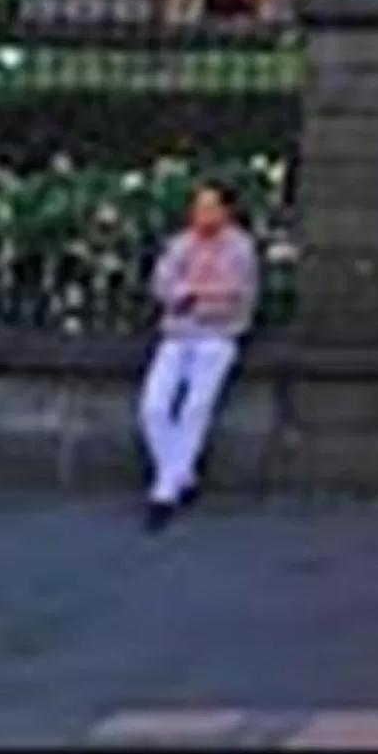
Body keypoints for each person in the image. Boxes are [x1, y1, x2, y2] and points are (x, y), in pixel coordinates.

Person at [138, 180, 260, 532]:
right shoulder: (181, 245)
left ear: (226, 211)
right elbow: (162, 285)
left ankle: (163, 493)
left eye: (209, 207)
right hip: (176, 334)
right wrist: (194, 295)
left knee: (195, 406)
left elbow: (236, 296)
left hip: (217, 336)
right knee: (154, 407)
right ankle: (181, 475)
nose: (201, 214)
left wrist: (192, 297)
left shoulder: (240, 249)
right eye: (197, 206)